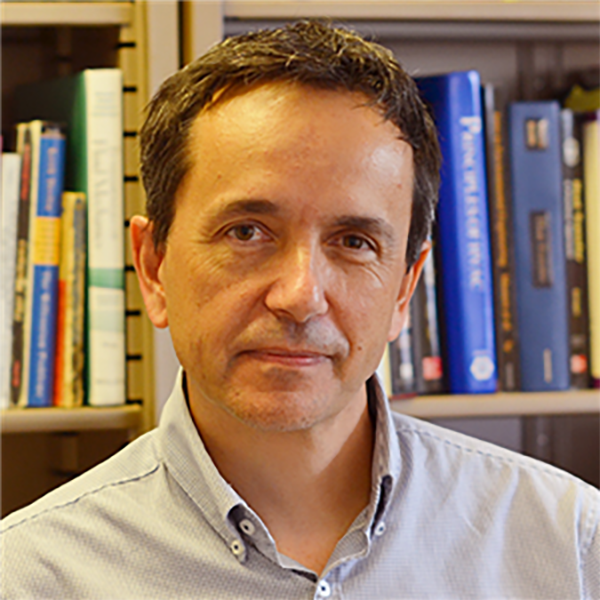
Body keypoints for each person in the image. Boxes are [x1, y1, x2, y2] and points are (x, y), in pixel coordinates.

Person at [2, 20, 599, 599]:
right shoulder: (28, 578)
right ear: (154, 267)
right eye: (246, 232)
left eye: (354, 242)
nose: (300, 296)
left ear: (404, 290)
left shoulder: (572, 548)